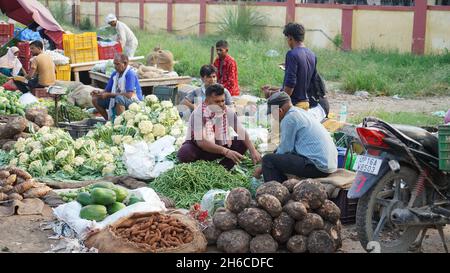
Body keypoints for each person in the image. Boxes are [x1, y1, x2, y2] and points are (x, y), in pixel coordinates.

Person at [254, 92, 337, 182]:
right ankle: (284, 185)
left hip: (318, 167)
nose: (273, 117)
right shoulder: (299, 112)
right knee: (275, 156)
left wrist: (262, 168)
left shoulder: (289, 119)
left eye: (272, 114)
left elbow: (285, 150)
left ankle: (274, 190)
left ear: (279, 111)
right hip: (329, 165)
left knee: (268, 160)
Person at [177, 84, 261, 170]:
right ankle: (198, 169)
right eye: (217, 102)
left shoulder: (227, 110)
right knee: (184, 153)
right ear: (207, 101)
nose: (221, 104)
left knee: (242, 143)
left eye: (222, 101)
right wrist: (226, 151)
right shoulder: (198, 114)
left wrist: (253, 150)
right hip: (199, 148)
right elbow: (201, 142)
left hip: (219, 145)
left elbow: (240, 130)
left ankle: (221, 169)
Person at [91, 54, 143, 120]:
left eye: (117, 64)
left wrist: (108, 95)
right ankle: (108, 121)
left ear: (125, 63)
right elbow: (107, 90)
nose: (115, 67)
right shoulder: (115, 74)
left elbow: (129, 95)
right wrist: (98, 93)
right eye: (114, 64)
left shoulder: (130, 74)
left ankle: (120, 122)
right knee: (95, 99)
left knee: (119, 98)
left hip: (134, 101)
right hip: (119, 98)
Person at [281, 23, 317, 111]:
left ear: (290, 38)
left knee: (274, 121)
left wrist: (280, 102)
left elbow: (290, 83)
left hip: (293, 104)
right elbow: (312, 80)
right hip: (305, 104)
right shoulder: (312, 55)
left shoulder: (292, 54)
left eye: (287, 39)